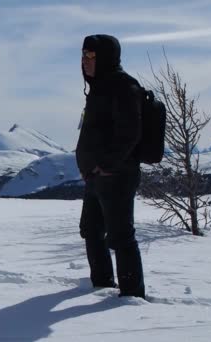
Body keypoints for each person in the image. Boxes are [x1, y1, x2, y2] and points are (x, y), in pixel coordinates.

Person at [75, 34, 145, 299]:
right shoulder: (98, 88)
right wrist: (89, 167)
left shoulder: (123, 86)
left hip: (117, 175)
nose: (85, 61)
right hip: (96, 175)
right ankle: (102, 285)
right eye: (83, 55)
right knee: (91, 230)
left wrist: (107, 165)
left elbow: (130, 133)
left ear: (105, 57)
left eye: (91, 56)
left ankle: (132, 296)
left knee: (121, 236)